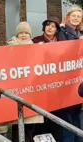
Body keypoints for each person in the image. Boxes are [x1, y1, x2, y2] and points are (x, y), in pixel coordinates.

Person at [6, 22, 44, 141]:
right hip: (16, 89)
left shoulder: (36, 47)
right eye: (21, 33)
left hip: (31, 91)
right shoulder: (9, 48)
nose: (23, 35)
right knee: (17, 124)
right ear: (17, 35)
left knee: (30, 124)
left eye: (26, 33)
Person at [51, 7, 83, 142]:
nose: (76, 18)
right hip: (66, 78)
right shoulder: (62, 31)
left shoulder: (80, 32)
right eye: (73, 16)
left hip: (78, 79)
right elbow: (64, 50)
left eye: (79, 16)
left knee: (77, 115)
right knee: (67, 115)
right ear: (68, 17)